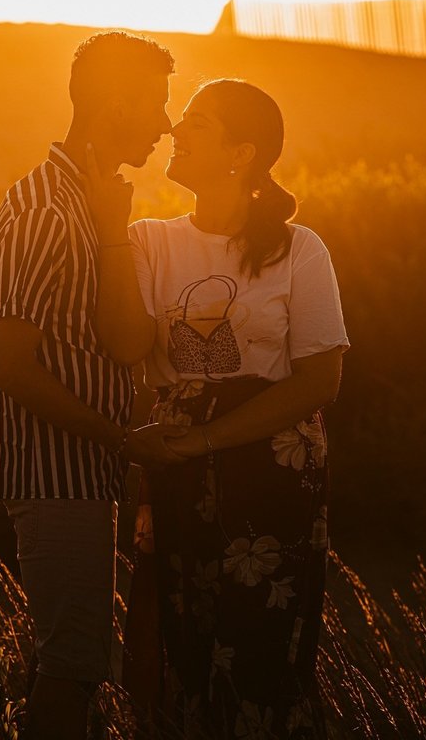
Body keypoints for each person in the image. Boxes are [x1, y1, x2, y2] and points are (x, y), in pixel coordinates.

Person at [0, 31, 191, 740]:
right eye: (154, 103)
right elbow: (11, 366)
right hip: (52, 474)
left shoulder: (88, 202)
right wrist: (121, 440)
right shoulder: (44, 210)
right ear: (114, 101)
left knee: (83, 664)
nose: (163, 123)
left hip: (81, 473)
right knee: (71, 668)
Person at [112, 79, 349, 738]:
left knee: (262, 647)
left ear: (240, 153)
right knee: (183, 637)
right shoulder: (149, 242)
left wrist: (204, 440)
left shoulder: (300, 250)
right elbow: (126, 347)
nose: (177, 131)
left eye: (199, 123)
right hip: (177, 472)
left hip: (271, 471)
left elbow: (319, 381)